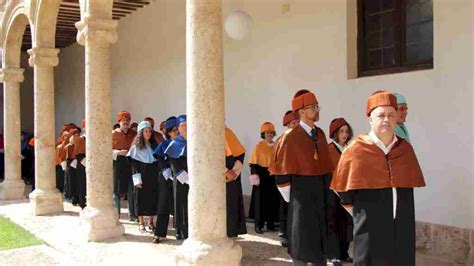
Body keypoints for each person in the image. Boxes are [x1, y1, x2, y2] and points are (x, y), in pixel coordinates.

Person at [330, 91, 425, 265]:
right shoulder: (355, 149)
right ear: (370, 119)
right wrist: (363, 215)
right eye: (381, 115)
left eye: (391, 115)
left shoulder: (405, 149)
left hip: (402, 230)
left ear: (396, 118)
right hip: (370, 231)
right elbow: (342, 191)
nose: (386, 119)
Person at [269, 90, 337, 266]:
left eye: (317, 106)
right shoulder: (290, 137)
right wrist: (294, 198)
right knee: (302, 236)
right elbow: (281, 174)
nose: (316, 110)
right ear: (301, 112)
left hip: (321, 192)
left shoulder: (320, 134)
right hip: (301, 195)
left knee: (320, 237)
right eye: (312, 107)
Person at [327, 118, 355, 263]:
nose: (344, 134)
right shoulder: (329, 149)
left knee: (347, 223)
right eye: (341, 131)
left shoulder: (350, 148)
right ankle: (334, 254)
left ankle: (344, 252)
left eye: (346, 131)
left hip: (348, 191)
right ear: (335, 133)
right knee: (334, 223)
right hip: (333, 193)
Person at [248, 122, 280, 234]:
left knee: (272, 201)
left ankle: (271, 224)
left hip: (272, 176)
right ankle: (259, 225)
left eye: (271, 133)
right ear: (263, 134)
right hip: (261, 176)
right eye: (267, 133)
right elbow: (253, 163)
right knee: (259, 202)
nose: (269, 135)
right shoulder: (259, 146)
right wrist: (255, 176)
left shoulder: (277, 146)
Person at [127, 121, 159, 232]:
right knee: (140, 199)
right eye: (145, 131)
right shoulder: (136, 148)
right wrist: (137, 180)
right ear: (141, 133)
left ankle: (151, 222)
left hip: (153, 176)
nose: (148, 133)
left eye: (150, 131)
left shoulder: (154, 146)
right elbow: (134, 166)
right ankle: (141, 223)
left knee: (153, 198)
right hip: (142, 176)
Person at [274, 110, 299, 247]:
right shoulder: (282, 139)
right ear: (287, 125)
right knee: (284, 207)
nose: (296, 125)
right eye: (293, 123)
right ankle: (283, 234)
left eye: (297, 123)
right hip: (284, 178)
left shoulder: (302, 139)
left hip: (298, 179)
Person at [153, 116, 179, 243]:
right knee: (163, 205)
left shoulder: (185, 143)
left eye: (177, 129)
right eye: (173, 130)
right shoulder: (164, 144)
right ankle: (159, 233)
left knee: (181, 205)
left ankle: (181, 231)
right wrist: (165, 170)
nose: (176, 132)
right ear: (168, 132)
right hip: (166, 178)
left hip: (182, 179)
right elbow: (159, 158)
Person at [165, 115, 188, 239]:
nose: (185, 128)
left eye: (187, 125)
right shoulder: (175, 143)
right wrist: (185, 178)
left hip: (193, 178)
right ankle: (180, 229)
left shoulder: (194, 141)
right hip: (180, 179)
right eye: (182, 126)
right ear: (178, 128)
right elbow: (174, 163)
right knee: (180, 203)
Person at [112, 111, 137, 220]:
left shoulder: (133, 134)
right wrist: (117, 152)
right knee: (116, 191)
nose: (126, 124)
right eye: (124, 122)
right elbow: (107, 150)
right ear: (120, 122)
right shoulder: (113, 134)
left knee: (131, 189)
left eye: (128, 121)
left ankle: (132, 213)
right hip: (118, 163)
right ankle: (116, 214)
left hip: (130, 162)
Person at [224, 126, 248, 238]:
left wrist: (234, 171)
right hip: (217, 174)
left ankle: (232, 232)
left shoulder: (228, 132)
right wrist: (224, 171)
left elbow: (240, 153)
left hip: (233, 174)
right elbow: (207, 157)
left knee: (232, 204)